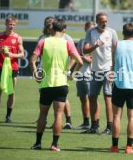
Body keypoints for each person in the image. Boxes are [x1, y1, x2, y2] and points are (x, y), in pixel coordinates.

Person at [30, 19, 83, 151]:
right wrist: (72, 74)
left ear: (52, 28)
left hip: (46, 83)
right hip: (61, 83)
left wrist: (36, 73)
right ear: (64, 30)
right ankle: (54, 145)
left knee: (42, 115)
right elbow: (80, 61)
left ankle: (37, 143)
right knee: (59, 115)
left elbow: (32, 60)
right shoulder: (67, 43)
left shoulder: (43, 41)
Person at [108, 23, 133, 154]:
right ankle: (129, 147)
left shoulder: (117, 44)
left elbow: (113, 64)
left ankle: (114, 147)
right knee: (132, 118)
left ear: (123, 32)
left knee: (117, 117)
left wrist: (111, 74)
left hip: (119, 84)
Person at [83, 12, 118, 135]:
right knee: (92, 97)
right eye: (102, 21)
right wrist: (95, 46)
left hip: (108, 70)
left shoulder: (112, 33)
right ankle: (94, 125)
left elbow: (116, 52)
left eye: (106, 21)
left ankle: (109, 126)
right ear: (97, 21)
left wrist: (113, 70)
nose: (104, 23)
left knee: (108, 97)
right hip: (94, 70)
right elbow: (85, 50)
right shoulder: (91, 32)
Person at [37, 16, 74, 130]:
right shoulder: (43, 38)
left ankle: (68, 120)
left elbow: (75, 56)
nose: (49, 26)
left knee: (62, 98)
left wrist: (68, 69)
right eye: (47, 25)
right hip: (46, 72)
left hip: (60, 73)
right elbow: (38, 57)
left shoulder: (66, 38)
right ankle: (50, 121)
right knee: (50, 99)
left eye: (51, 24)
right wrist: (38, 70)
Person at [0, 16, 24, 123]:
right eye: (10, 24)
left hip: (12, 68)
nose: (11, 26)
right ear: (5, 24)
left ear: (15, 25)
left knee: (11, 92)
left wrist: (11, 54)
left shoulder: (18, 37)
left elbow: (22, 54)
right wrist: (1, 52)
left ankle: (8, 116)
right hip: (0, 67)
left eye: (13, 25)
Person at [74, 21, 96, 130]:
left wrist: (81, 58)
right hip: (80, 74)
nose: (90, 31)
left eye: (92, 29)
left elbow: (92, 59)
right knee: (82, 98)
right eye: (89, 29)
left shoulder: (95, 43)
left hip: (90, 75)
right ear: (85, 29)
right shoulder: (82, 41)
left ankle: (95, 123)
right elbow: (76, 56)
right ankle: (86, 122)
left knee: (92, 99)